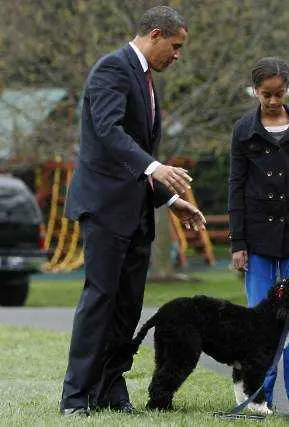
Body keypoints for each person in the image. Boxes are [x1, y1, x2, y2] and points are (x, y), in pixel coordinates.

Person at [60, 6, 206, 416]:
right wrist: (156, 167)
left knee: (128, 306)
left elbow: (136, 159)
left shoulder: (146, 80)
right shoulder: (112, 68)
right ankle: (75, 397)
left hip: (137, 211)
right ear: (155, 34)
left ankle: (110, 390)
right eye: (175, 46)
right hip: (105, 209)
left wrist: (171, 200)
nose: (177, 55)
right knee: (100, 300)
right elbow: (108, 133)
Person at [228, 57, 289, 417]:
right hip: (257, 238)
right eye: (266, 94)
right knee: (259, 322)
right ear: (256, 91)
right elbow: (236, 186)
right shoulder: (243, 131)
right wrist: (238, 242)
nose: (272, 101)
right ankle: (258, 398)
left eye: (279, 94)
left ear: (287, 89)